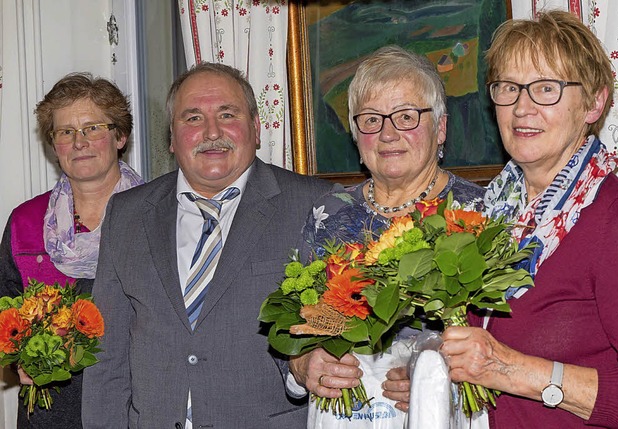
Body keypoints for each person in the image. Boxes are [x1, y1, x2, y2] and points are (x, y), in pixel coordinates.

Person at [80, 62, 332, 428]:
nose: (212, 132)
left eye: (227, 114)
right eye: (193, 118)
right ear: (171, 137)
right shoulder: (127, 214)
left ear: (256, 127)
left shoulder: (315, 206)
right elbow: (107, 357)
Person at [439, 11, 618, 428]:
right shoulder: (486, 215)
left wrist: (510, 369)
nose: (522, 107)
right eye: (509, 88)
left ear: (594, 102)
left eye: (546, 88)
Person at [288, 45, 485, 413]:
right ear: (356, 134)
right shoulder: (328, 216)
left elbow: (509, 344)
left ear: (440, 128)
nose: (388, 134)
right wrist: (302, 364)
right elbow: (297, 326)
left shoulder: (477, 213)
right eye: (371, 119)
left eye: (407, 116)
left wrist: (439, 383)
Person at [0, 72, 144, 428]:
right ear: (54, 145)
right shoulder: (25, 223)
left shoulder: (156, 216)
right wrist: (18, 357)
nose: (80, 142)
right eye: (65, 132)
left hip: (136, 408)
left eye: (93, 127)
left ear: (120, 136)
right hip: (49, 412)